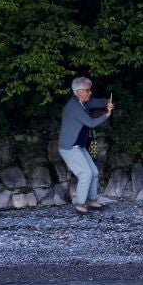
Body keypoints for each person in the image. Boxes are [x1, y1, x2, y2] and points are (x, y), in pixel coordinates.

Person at [58, 76, 115, 214]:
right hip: (69, 147)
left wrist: (108, 102)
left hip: (79, 146)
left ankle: (92, 200)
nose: (90, 93)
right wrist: (107, 114)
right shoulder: (74, 107)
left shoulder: (82, 103)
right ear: (79, 92)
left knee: (94, 172)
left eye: (90, 90)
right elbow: (91, 123)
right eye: (88, 90)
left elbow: (95, 102)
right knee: (85, 174)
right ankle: (80, 205)